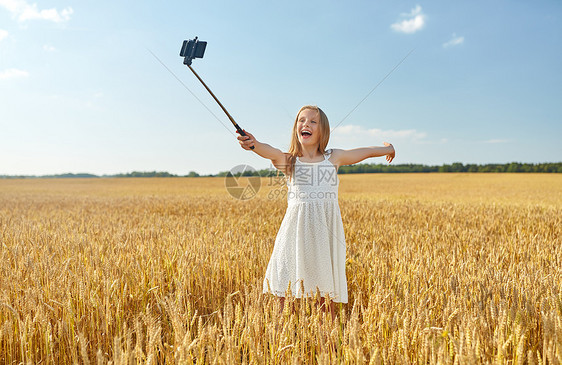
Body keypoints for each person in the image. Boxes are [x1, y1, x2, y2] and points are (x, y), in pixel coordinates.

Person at [237, 105, 395, 318]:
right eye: (301, 120)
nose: (306, 124)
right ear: (296, 128)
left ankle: (328, 346)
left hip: (325, 235)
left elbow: (362, 153)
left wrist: (388, 149)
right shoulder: (289, 161)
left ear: (323, 130)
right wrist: (253, 144)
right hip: (295, 235)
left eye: (313, 121)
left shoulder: (333, 158)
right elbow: (269, 151)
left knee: (325, 296)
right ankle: (283, 341)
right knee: (286, 293)